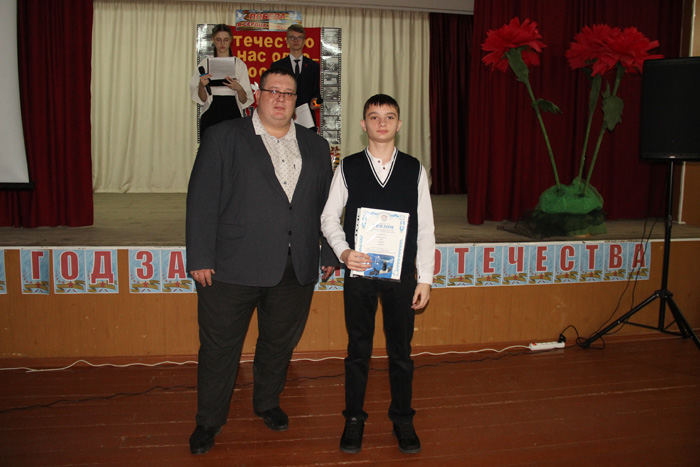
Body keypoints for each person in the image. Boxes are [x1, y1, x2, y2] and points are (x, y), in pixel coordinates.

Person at [186, 67, 338, 456]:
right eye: (273, 91)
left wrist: (329, 250)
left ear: (296, 101)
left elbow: (325, 206)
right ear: (258, 95)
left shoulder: (316, 145)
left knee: (278, 343)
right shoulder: (223, 137)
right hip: (231, 266)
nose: (280, 98)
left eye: (288, 93)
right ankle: (209, 420)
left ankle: (267, 402)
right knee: (220, 349)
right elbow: (202, 199)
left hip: (295, 266)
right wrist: (200, 256)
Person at [321, 94, 436, 455]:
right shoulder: (348, 167)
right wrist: (344, 252)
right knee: (358, 350)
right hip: (360, 275)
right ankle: (354, 418)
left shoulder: (414, 169)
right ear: (363, 124)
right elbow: (328, 217)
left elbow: (426, 228)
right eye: (374, 116)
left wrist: (425, 278)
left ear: (399, 124)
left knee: (401, 352)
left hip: (401, 277)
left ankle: (402, 418)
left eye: (389, 116)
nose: (382, 123)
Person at [190, 23, 254, 139]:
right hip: (211, 112)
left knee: (233, 148)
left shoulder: (239, 64)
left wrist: (239, 88)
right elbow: (203, 99)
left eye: (226, 40)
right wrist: (201, 85)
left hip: (233, 112)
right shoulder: (205, 64)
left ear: (231, 40)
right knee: (211, 148)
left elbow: (244, 100)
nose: (222, 44)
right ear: (213, 40)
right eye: (218, 40)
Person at [270, 24, 321, 129]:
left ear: (304, 41)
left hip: (307, 118)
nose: (296, 41)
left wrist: (315, 104)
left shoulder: (313, 66)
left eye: (299, 38)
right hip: (283, 115)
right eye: (292, 37)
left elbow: (318, 96)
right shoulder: (277, 66)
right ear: (287, 41)